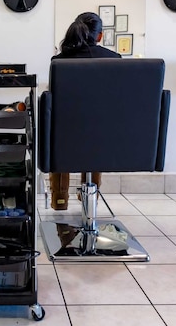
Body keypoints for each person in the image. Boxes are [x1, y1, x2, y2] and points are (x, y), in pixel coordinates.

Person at [48, 12, 121, 210]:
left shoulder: (59, 61)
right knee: (96, 136)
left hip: (66, 136)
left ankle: (60, 200)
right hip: (103, 138)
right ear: (99, 36)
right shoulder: (115, 59)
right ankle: (90, 198)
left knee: (60, 135)